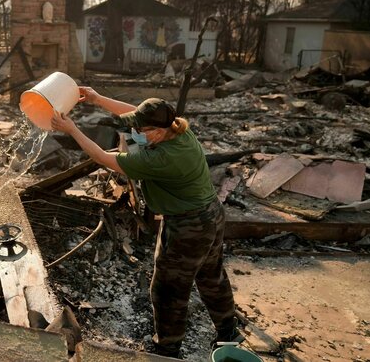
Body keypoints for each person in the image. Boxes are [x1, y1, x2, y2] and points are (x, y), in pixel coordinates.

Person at [50, 87, 241, 359]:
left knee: (168, 289)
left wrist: (73, 130)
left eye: (143, 129)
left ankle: (167, 351)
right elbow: (133, 113)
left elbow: (104, 158)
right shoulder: (179, 130)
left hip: (188, 226)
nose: (137, 132)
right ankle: (228, 334)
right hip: (210, 214)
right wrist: (97, 99)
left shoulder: (161, 158)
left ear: (159, 131)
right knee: (211, 276)